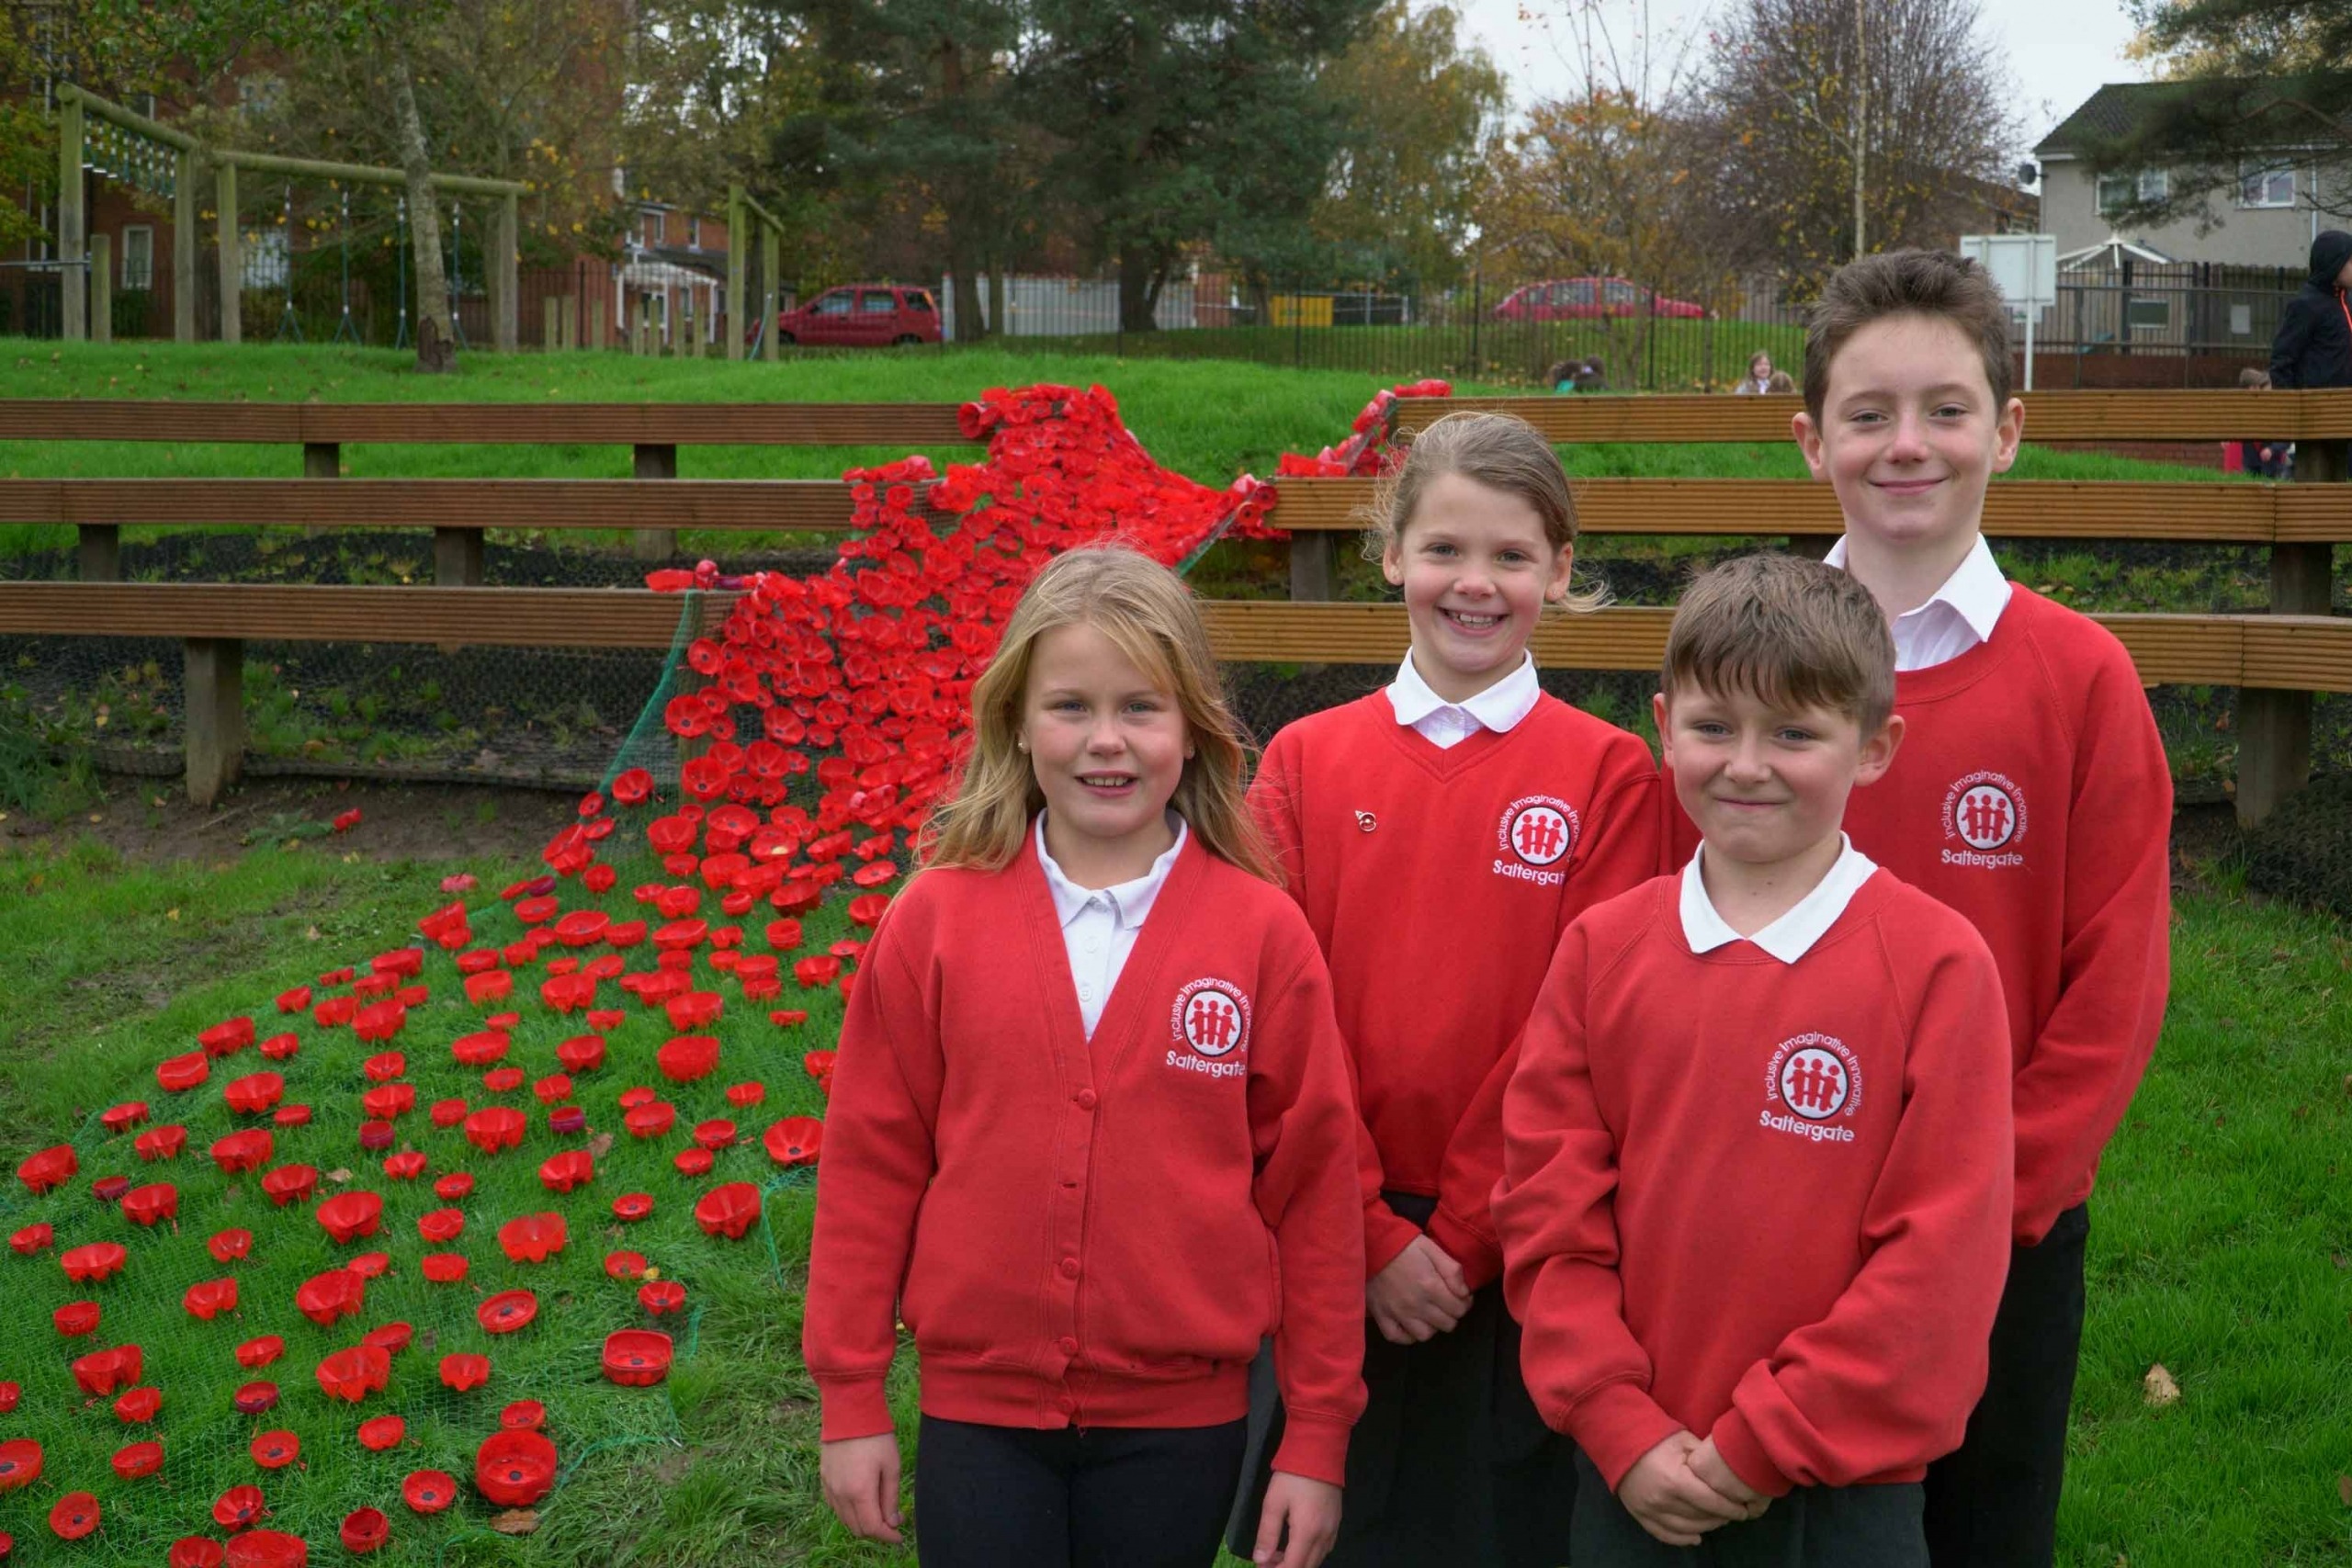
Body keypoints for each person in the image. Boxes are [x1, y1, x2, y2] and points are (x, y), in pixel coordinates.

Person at [1690, 248, 2170, 1568]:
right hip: (1759, 1205)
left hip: (1997, 1239)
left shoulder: (2081, 680)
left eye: (1946, 409)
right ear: (1811, 440)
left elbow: (2113, 990)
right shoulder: (1734, 674)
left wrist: (1983, 1206)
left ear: (2008, 430)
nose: (1908, 445)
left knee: (1978, 1528)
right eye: (1868, 412)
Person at [806, 546, 1367, 1568]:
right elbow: (870, 1164)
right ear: (1016, 724)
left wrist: (1317, 1435)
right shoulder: (934, 919)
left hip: (1181, 1425)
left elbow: (1316, 1196)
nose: (1105, 742)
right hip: (982, 1420)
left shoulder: (1262, 935)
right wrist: (851, 1397)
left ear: (1193, 731)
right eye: (1070, 706)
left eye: (1140, 709)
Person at [1498, 552, 2015, 1566]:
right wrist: (1616, 1421)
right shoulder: (1603, 949)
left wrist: (1762, 1445)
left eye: (1793, 733)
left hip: (1838, 1498)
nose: (1745, 764)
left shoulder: (1936, 965)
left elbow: (1937, 1266)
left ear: (1874, 747)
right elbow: (1546, 1216)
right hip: (1629, 1482)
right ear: (1661, 726)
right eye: (1712, 727)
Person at [1246, 411, 1663, 1566]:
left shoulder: (1611, 775)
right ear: (1390, 553)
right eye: (1443, 550)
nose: (1473, 584)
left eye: (1512, 557)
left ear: (1560, 570)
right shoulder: (1303, 762)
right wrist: (1370, 1231)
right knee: (1335, 1524)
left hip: (1517, 1236)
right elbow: (1278, 1021)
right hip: (1330, 1226)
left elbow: (1584, 1032)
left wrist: (1470, 1230)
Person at [2267, 230, 2352, 390]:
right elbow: (2282, 361)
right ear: (2334, 263)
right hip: (2318, 407)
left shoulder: (2347, 301)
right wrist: (2290, 407)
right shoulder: (2306, 306)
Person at [2236, 367, 2292, 479]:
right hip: (2251, 465)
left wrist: (2272, 449)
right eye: (2256, 387)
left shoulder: (2275, 410)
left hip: (2273, 466)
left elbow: (2286, 438)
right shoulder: (2244, 410)